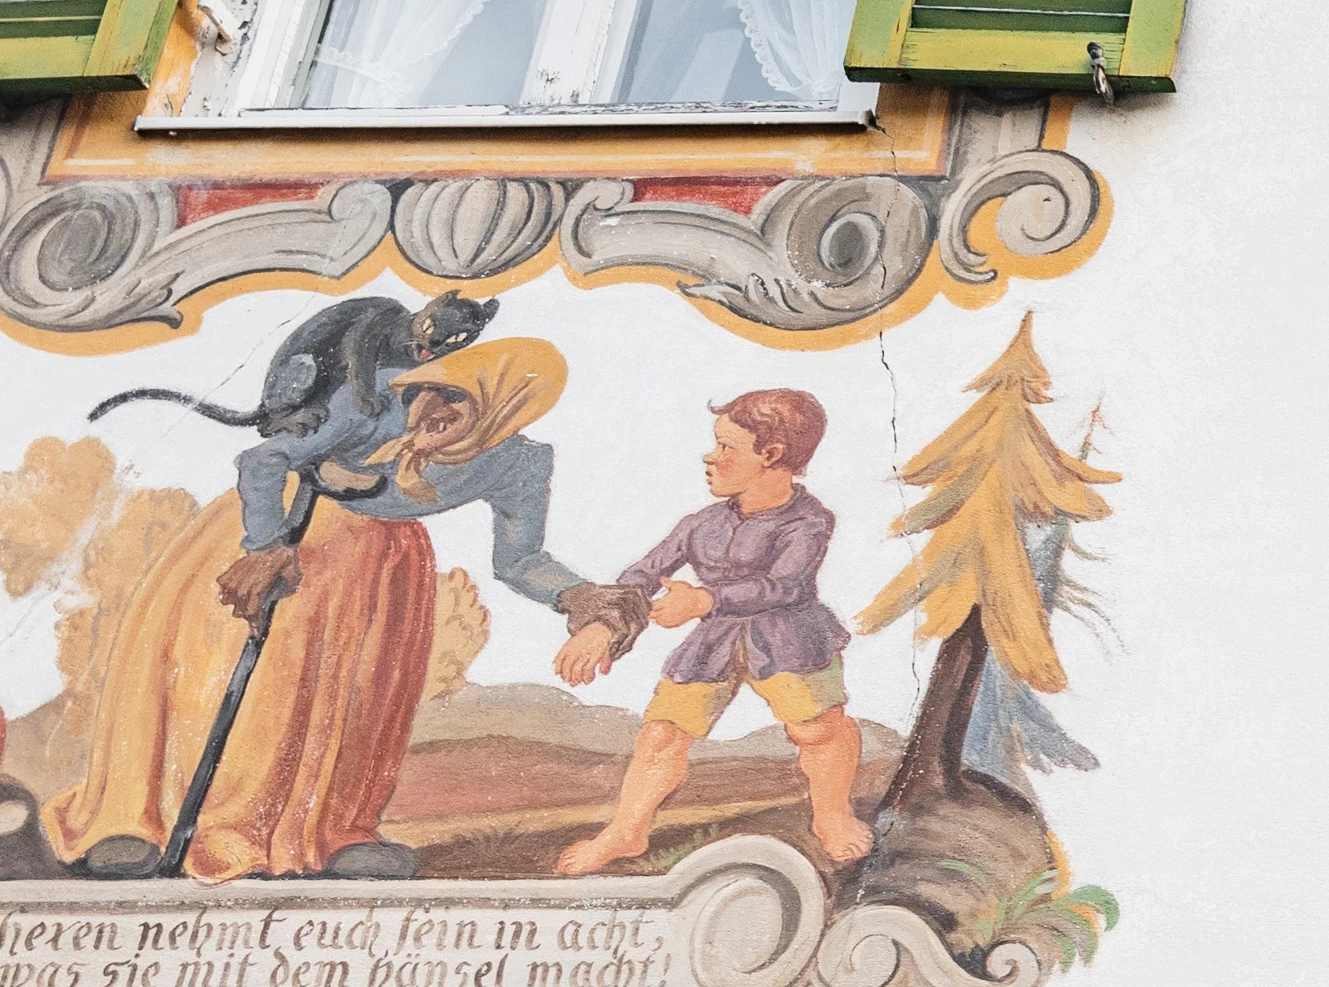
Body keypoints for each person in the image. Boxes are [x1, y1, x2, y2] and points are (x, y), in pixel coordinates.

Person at [50, 337, 618, 880]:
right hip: (277, 531)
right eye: (435, 390)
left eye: (459, 400)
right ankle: (134, 823)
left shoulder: (519, 463)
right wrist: (266, 548)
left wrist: (578, 597)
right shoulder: (372, 399)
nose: (434, 407)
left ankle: (331, 834)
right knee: (212, 680)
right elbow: (262, 461)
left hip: (379, 574)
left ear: (506, 407)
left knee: (351, 703)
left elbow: (520, 559)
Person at [552, 390, 869, 875]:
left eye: (726, 448)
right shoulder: (699, 524)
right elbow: (642, 574)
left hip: (790, 640)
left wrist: (703, 600)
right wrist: (602, 624)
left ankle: (833, 815)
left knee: (817, 729)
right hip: (713, 644)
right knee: (661, 735)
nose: (710, 457)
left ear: (771, 456)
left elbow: (784, 585)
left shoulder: (809, 521)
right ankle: (625, 832)